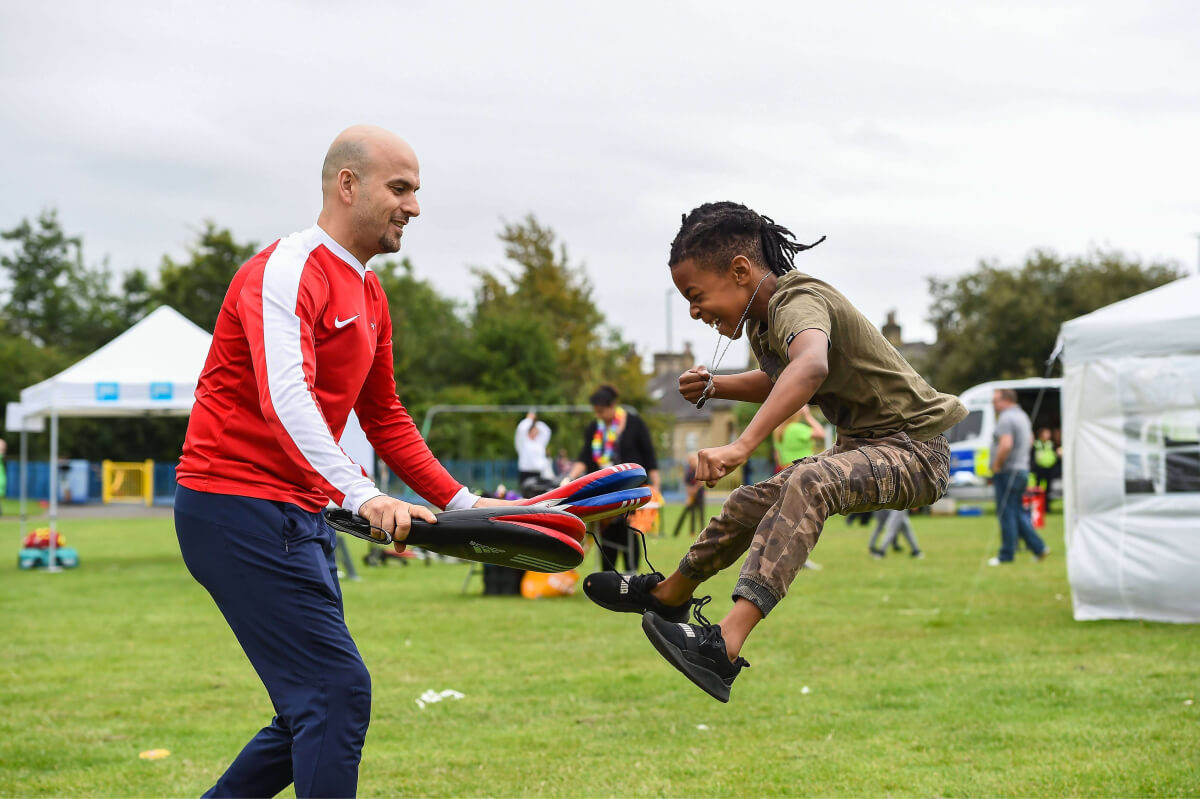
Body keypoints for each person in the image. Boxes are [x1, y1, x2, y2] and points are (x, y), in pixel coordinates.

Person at [173, 125, 511, 797]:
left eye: (416, 191)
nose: (414, 207)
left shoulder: (372, 295)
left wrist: (465, 505)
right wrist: (363, 494)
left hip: (298, 514)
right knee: (335, 690)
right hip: (232, 505)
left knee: (310, 707)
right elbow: (285, 397)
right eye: (401, 188)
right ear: (347, 184)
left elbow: (385, 416)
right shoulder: (285, 269)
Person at [582, 201, 964, 702]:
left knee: (811, 481)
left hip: (916, 451)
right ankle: (669, 595)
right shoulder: (766, 324)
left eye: (696, 296)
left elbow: (810, 368)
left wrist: (741, 445)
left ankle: (723, 646)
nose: (695, 312)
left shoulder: (797, 299)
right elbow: (780, 376)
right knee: (747, 503)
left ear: (740, 270)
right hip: (871, 447)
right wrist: (718, 386)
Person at [564, 385, 660, 572]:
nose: (599, 415)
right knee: (606, 534)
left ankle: (630, 575)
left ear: (613, 405)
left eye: (602, 411)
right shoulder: (594, 428)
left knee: (629, 533)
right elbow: (585, 457)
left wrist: (655, 487)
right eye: (596, 412)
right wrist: (569, 477)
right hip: (603, 491)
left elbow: (649, 456)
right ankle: (608, 577)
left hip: (630, 489)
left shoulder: (634, 423)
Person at [987, 389, 1049, 566]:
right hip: (1022, 470)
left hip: (1008, 472)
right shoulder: (1023, 416)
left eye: (995, 400)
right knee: (1016, 511)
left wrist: (997, 465)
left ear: (1005, 400)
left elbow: (1006, 444)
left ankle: (1007, 554)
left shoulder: (1006, 418)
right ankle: (1039, 547)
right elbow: (1029, 440)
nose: (993, 404)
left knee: (1007, 514)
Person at [772, 404, 826, 472]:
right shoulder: (795, 428)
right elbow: (821, 434)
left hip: (785, 469)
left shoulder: (778, 430)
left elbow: (777, 455)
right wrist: (808, 416)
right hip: (802, 468)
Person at [514, 411, 554, 489]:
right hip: (525, 472)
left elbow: (547, 431)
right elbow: (521, 429)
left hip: (538, 473)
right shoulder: (523, 442)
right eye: (533, 429)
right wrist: (529, 419)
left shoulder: (540, 442)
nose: (536, 431)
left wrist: (536, 422)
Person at [671, 452, 706, 538]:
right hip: (691, 496)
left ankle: (703, 531)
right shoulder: (688, 472)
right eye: (689, 461)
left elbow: (701, 482)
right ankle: (691, 532)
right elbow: (686, 483)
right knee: (692, 514)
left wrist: (695, 489)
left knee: (701, 514)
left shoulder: (699, 469)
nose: (690, 462)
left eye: (692, 460)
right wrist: (690, 492)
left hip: (700, 495)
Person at [1030, 427, 1061, 513]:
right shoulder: (1036, 444)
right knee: (1037, 490)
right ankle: (1037, 507)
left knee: (1048, 490)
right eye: (1046, 433)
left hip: (1049, 470)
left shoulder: (1050, 444)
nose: (1048, 435)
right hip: (1039, 470)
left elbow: (1054, 454)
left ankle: (1046, 507)